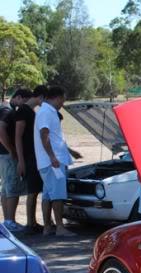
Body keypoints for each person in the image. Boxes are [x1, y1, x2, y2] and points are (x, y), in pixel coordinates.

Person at [34, 86, 82, 237]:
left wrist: (70, 152)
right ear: (57, 97)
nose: (63, 103)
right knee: (58, 195)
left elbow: (55, 137)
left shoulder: (47, 111)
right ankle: (60, 227)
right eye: (63, 100)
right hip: (53, 162)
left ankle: (47, 227)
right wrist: (53, 157)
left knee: (48, 195)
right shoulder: (46, 112)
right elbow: (44, 134)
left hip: (50, 161)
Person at [15, 85, 47, 233]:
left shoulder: (32, 112)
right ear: (40, 97)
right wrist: (21, 160)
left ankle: (33, 222)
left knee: (36, 190)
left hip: (35, 155)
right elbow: (18, 137)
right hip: (28, 157)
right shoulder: (23, 111)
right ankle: (29, 223)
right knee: (32, 191)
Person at [0, 89, 32, 231]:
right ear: (18, 97)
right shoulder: (8, 111)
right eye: (25, 101)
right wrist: (11, 150)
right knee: (13, 187)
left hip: (2, 155)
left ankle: (7, 221)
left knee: (6, 188)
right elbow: (1, 130)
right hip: (7, 155)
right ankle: (10, 221)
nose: (25, 105)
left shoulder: (4, 107)